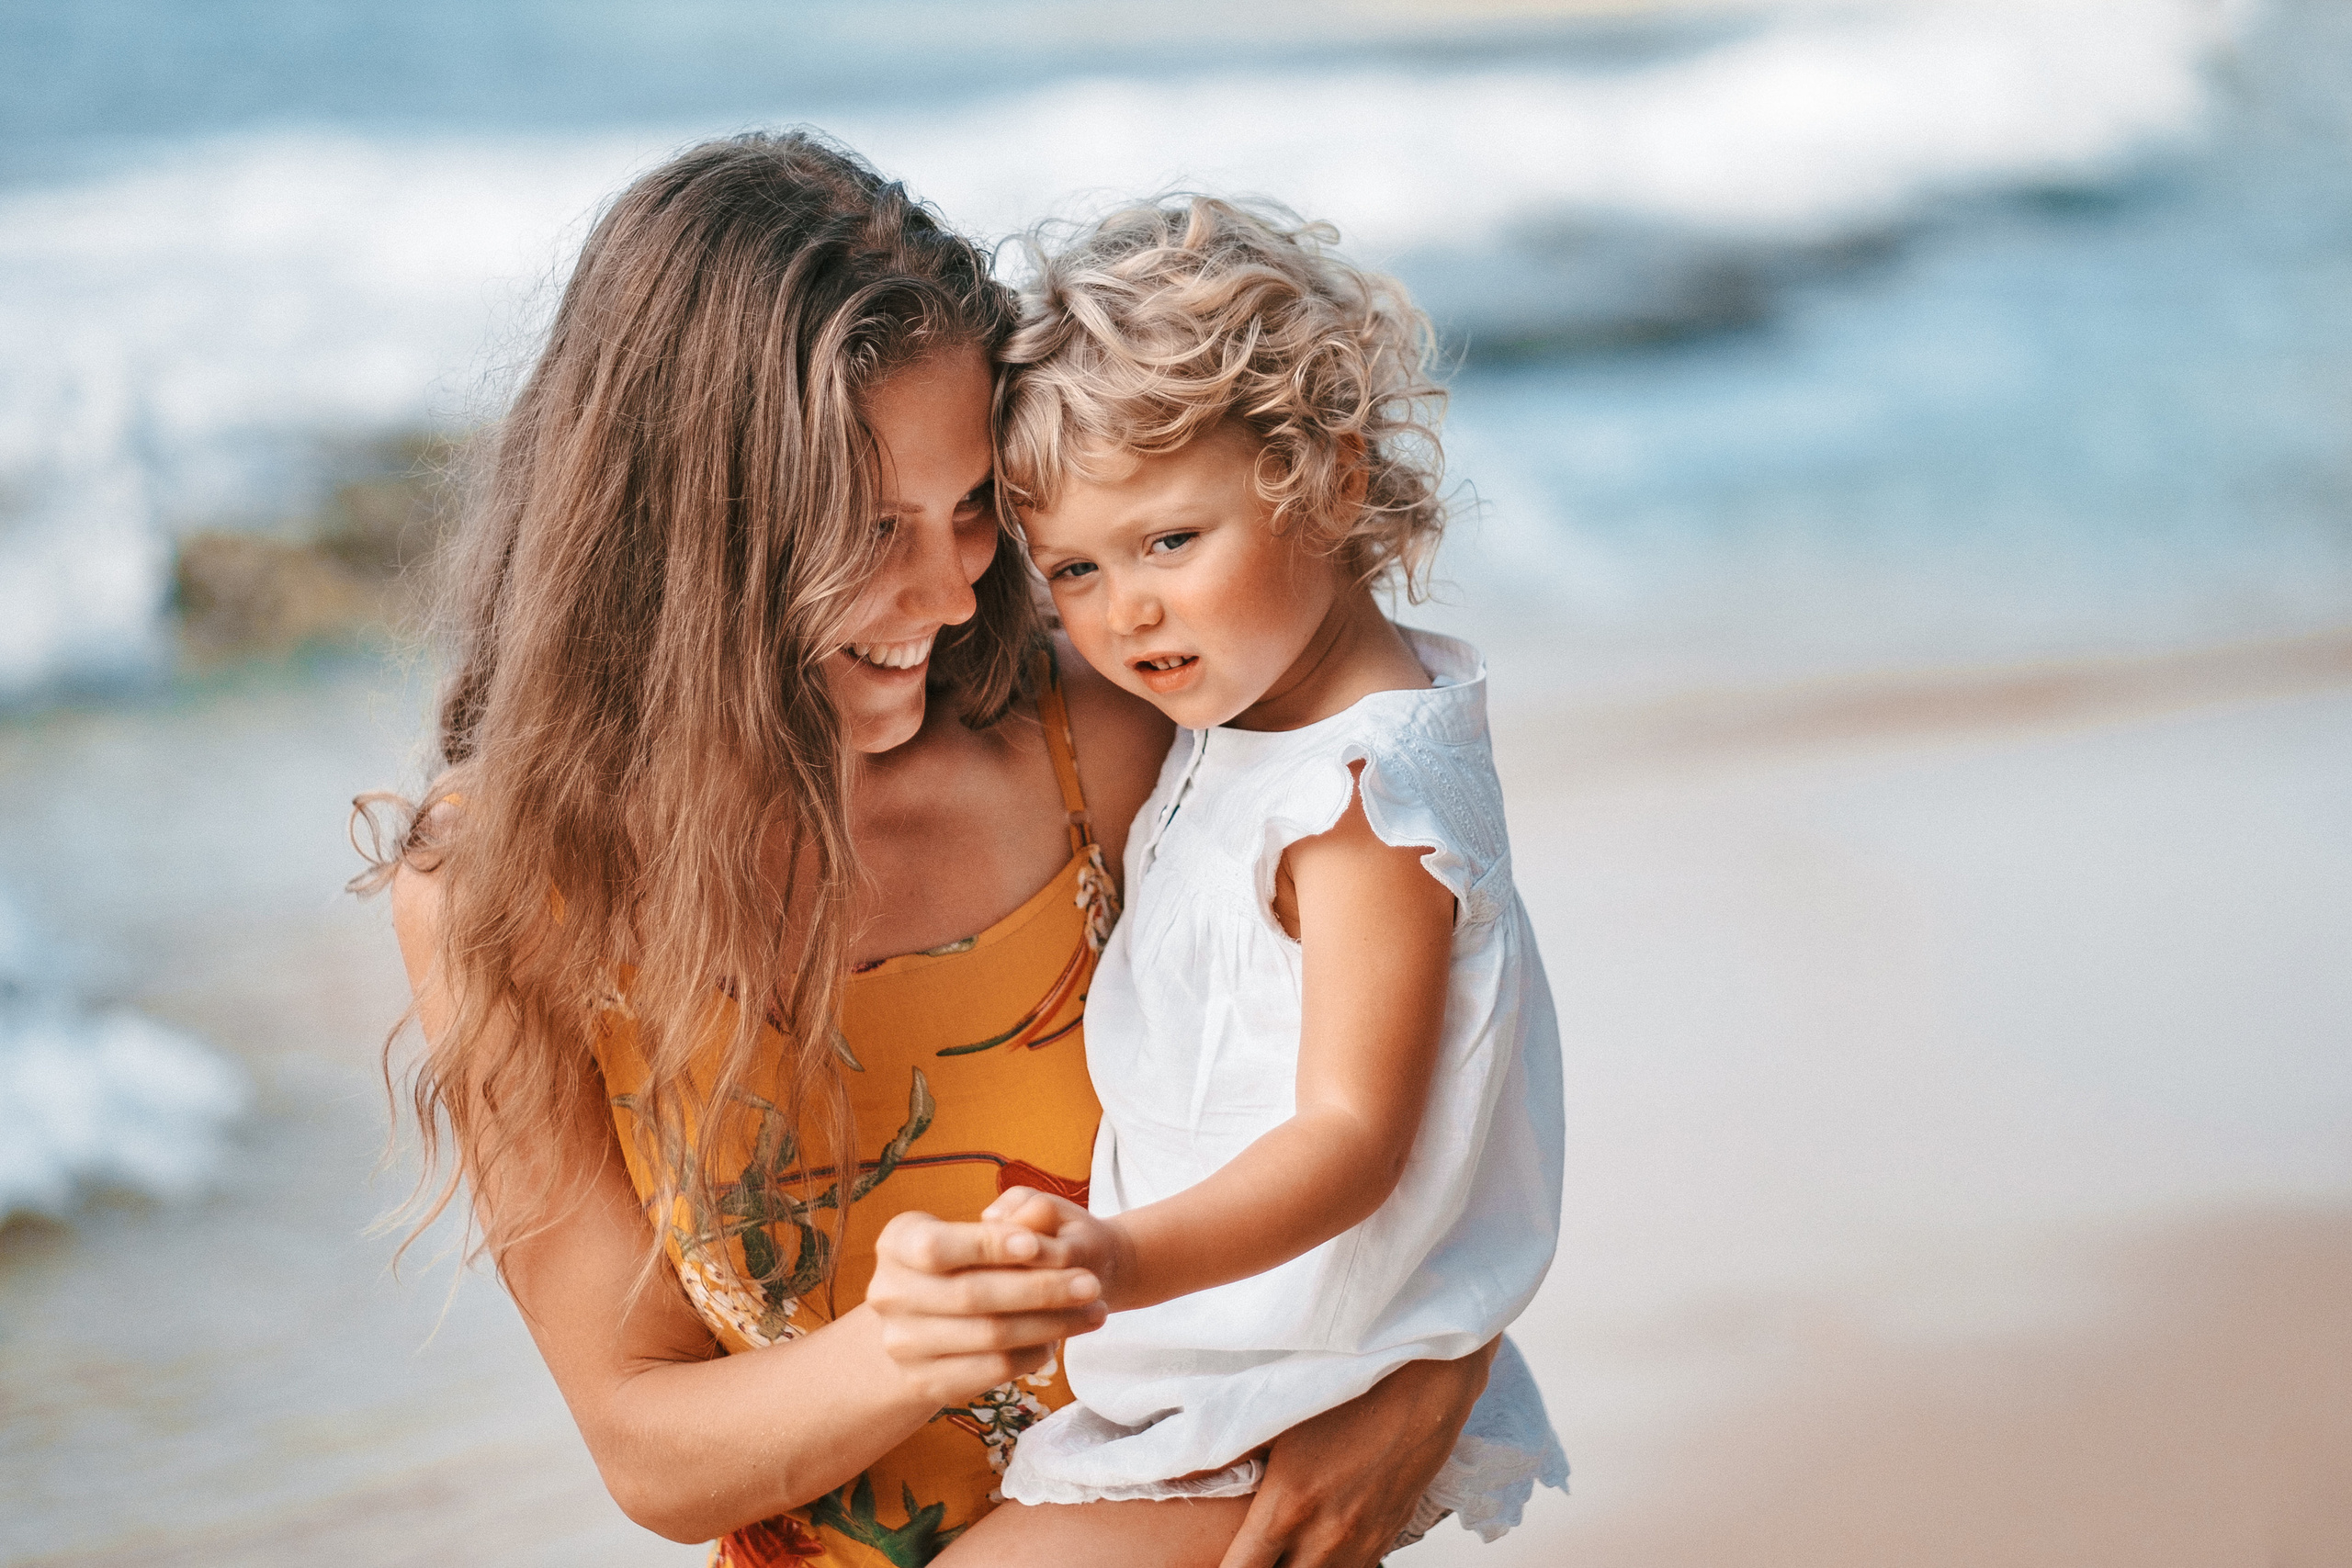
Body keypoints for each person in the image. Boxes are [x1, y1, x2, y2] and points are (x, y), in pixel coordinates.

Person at [368, 133, 1498, 1568]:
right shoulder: (498, 894)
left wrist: (1439, 1374)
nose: (955, 591)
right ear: (687, 531)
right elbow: (647, 1447)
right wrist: (909, 1348)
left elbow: (1446, 1013)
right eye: (868, 525)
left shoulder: (1109, 739)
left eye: (971, 510)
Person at [915, 197, 1568, 1565]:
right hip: (1223, 1373)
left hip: (1280, 1391)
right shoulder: (1264, 710)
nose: (1124, 614)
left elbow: (1350, 1139)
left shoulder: (1356, 804)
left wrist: (1119, 1260)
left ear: (1328, 479)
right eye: (1074, 571)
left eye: (1170, 544)